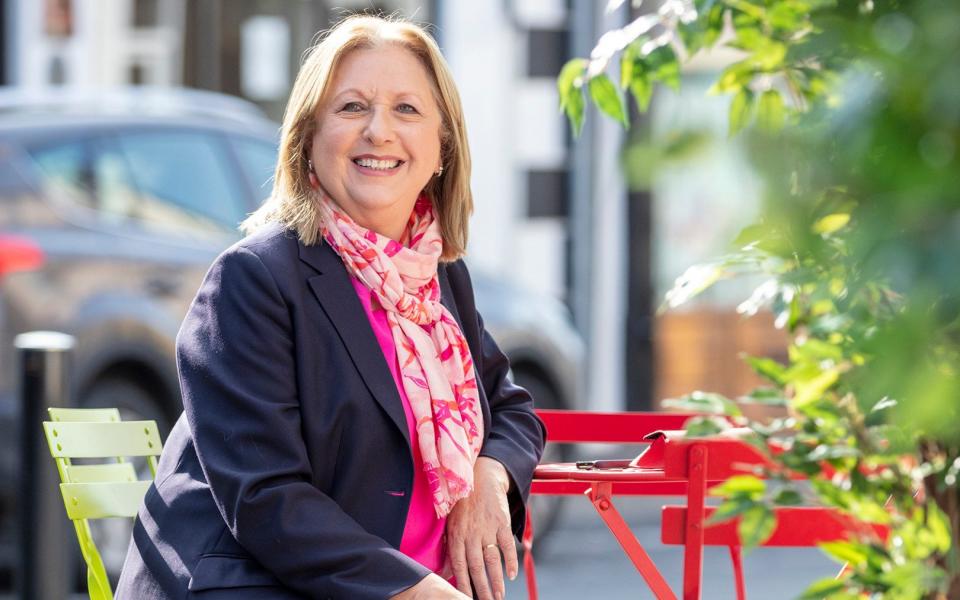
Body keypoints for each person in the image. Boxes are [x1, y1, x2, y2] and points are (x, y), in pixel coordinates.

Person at [115, 13, 546, 600]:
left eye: (407, 109)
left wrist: (486, 476)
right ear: (308, 140)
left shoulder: (438, 277)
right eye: (351, 108)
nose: (379, 131)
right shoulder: (254, 279)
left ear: (441, 148)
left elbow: (511, 409)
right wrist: (415, 590)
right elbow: (266, 498)